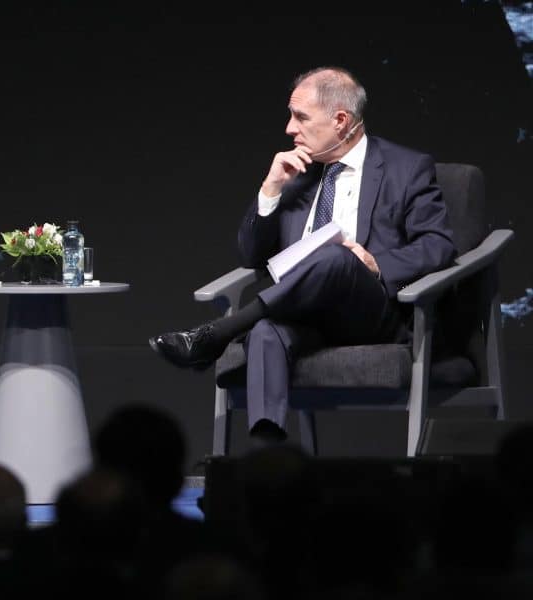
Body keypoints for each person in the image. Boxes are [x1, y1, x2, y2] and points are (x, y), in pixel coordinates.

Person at [149, 66, 455, 445]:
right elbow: (251, 256)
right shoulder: (299, 175)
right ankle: (267, 456)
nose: (290, 129)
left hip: (372, 312)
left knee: (337, 256)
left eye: (301, 117)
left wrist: (377, 264)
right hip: (299, 311)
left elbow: (438, 244)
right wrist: (271, 188)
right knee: (265, 333)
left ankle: (219, 334)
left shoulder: (405, 168)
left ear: (341, 120)